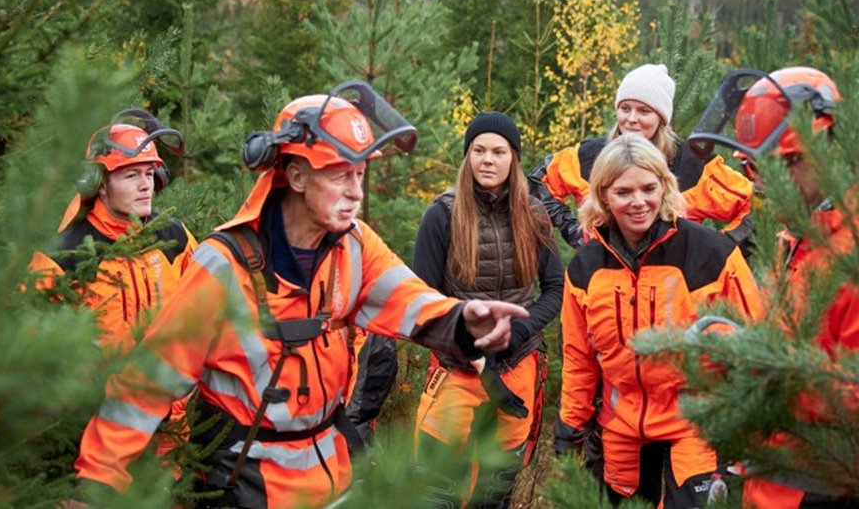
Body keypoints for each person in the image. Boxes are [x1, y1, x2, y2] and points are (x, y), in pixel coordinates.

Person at [68, 82, 529, 508]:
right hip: (242, 485)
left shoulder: (354, 246)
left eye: (360, 174)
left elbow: (411, 301)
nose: (355, 193)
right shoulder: (223, 266)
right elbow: (147, 384)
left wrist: (465, 318)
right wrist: (96, 483)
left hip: (331, 477)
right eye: (339, 175)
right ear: (296, 175)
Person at [688, 66, 859, 508]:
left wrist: (753, 366)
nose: (761, 182)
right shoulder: (802, 242)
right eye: (753, 166)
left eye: (781, 164)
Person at [552, 133, 764, 508]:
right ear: (603, 195)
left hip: (696, 422)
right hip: (622, 428)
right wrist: (570, 424)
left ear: (666, 186)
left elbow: (756, 342)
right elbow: (579, 357)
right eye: (624, 192)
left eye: (649, 188)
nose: (639, 202)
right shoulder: (585, 269)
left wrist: (752, 424)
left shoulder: (711, 254)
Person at [411, 112, 564, 508]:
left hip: (518, 367)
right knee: (437, 491)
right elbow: (422, 303)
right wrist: (477, 358)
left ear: (513, 158)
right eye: (478, 150)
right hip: (455, 369)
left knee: (495, 492)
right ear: (468, 157)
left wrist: (518, 336)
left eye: (498, 151)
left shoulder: (533, 214)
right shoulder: (441, 216)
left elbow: (554, 288)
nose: (487, 160)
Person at [29, 111, 197, 466]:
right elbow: (29, 341)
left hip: (174, 430)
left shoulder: (174, 237)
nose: (145, 185)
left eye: (150, 174)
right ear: (99, 184)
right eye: (131, 175)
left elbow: (207, 311)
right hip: (96, 432)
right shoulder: (65, 255)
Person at [529, 62, 753, 251]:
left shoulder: (693, 164)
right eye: (625, 108)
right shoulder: (589, 156)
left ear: (661, 118)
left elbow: (757, 207)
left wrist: (720, 249)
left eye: (644, 111)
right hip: (602, 285)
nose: (631, 119)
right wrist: (573, 230)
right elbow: (536, 184)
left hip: (672, 288)